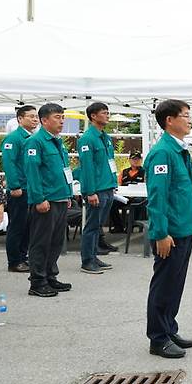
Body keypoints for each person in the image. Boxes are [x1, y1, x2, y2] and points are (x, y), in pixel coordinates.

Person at [145, 99, 192, 358]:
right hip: (169, 233)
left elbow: (184, 192)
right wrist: (160, 233)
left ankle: (169, 328)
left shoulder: (179, 150)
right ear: (169, 120)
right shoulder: (163, 152)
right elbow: (157, 197)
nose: (189, 119)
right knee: (163, 286)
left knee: (175, 285)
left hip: (184, 229)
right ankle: (158, 338)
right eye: (185, 115)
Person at [24, 103, 73, 297]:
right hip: (46, 201)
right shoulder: (35, 142)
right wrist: (38, 199)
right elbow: (32, 172)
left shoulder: (57, 141)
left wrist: (67, 194)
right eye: (57, 117)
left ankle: (50, 276)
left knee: (55, 242)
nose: (62, 120)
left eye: (63, 117)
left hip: (60, 198)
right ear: (44, 120)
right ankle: (37, 281)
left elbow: (63, 170)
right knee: (41, 242)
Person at [77, 102, 118, 274]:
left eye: (108, 112)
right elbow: (87, 168)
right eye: (104, 113)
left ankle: (93, 256)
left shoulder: (105, 137)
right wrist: (90, 192)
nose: (107, 115)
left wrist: (113, 183)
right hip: (97, 190)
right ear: (93, 116)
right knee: (92, 226)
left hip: (107, 187)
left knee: (98, 225)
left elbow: (109, 163)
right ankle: (87, 260)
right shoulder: (87, 138)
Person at [0, 105, 38, 272]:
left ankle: (23, 257)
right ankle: (14, 261)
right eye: (31, 116)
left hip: (30, 188)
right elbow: (9, 164)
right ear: (20, 119)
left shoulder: (31, 138)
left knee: (28, 226)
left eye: (36, 116)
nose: (35, 119)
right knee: (17, 226)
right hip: (19, 189)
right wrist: (14, 185)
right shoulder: (13, 139)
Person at [109, 150, 145, 233]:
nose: (136, 161)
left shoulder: (144, 172)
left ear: (141, 160)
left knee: (137, 202)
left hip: (138, 197)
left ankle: (131, 225)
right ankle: (118, 226)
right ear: (130, 160)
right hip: (125, 197)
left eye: (138, 159)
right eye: (134, 159)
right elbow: (118, 185)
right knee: (111, 202)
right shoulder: (124, 172)